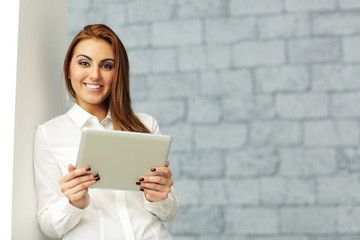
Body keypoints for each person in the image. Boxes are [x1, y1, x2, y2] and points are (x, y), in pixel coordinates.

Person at [33, 24, 178, 240]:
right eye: (84, 63)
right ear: (68, 70)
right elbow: (49, 226)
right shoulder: (49, 134)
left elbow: (168, 212)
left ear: (118, 73)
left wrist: (160, 196)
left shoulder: (146, 125)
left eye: (107, 66)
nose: (94, 75)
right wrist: (74, 203)